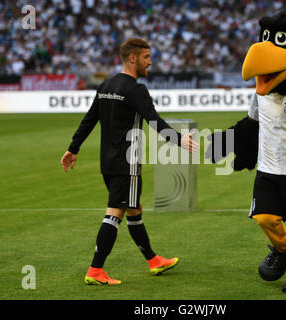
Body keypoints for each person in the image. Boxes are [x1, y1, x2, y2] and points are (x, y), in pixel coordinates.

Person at [60, 38, 199, 285]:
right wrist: (180, 140)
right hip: (128, 163)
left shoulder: (106, 85)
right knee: (115, 212)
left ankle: (153, 260)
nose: (150, 61)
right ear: (132, 58)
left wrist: (73, 148)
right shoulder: (136, 90)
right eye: (146, 57)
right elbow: (154, 120)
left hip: (108, 163)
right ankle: (95, 270)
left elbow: (90, 118)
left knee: (134, 208)